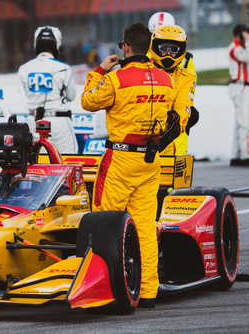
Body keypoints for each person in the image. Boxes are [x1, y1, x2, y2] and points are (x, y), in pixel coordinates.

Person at [81, 22, 175, 309]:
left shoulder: (116, 79)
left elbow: (87, 101)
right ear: (148, 47)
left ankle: (106, 287)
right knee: (145, 226)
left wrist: (99, 71)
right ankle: (147, 291)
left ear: (125, 47)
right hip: (150, 159)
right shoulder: (166, 79)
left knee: (103, 222)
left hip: (121, 159)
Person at [18, 25, 78, 153]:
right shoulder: (63, 67)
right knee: (68, 162)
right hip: (59, 122)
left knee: (36, 165)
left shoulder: (24, 68)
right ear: (57, 44)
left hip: (33, 121)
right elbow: (71, 96)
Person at [150, 25, 197, 155]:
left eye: (174, 49)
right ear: (155, 47)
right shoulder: (143, 69)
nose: (169, 54)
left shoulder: (187, 76)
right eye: (164, 49)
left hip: (170, 143)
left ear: (181, 50)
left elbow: (183, 107)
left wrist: (167, 137)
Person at [228, 23, 249, 166]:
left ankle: (236, 155)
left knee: (240, 123)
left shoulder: (242, 48)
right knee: (245, 122)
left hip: (242, 87)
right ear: (240, 34)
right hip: (240, 87)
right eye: (246, 33)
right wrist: (248, 41)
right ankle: (247, 155)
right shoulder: (235, 48)